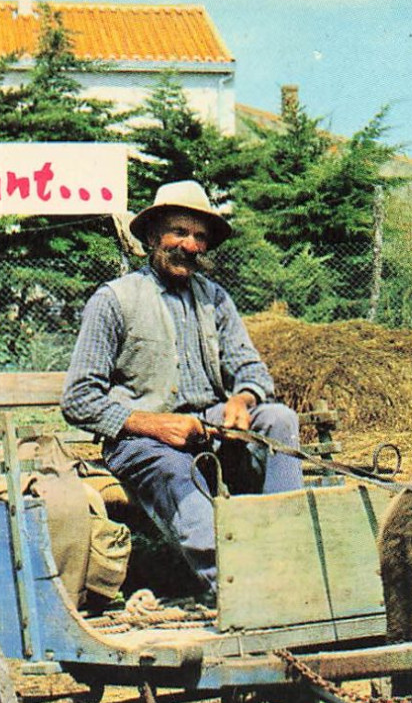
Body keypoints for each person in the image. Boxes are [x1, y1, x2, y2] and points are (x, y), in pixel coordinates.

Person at [62, 181, 303, 600]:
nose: (189, 245)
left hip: (206, 427)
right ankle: (239, 590)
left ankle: (290, 555)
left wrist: (241, 400)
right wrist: (152, 424)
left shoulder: (215, 300)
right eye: (179, 232)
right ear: (153, 237)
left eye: (199, 236)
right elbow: (78, 398)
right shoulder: (115, 300)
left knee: (279, 419)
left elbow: (252, 370)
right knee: (175, 470)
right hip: (138, 442)